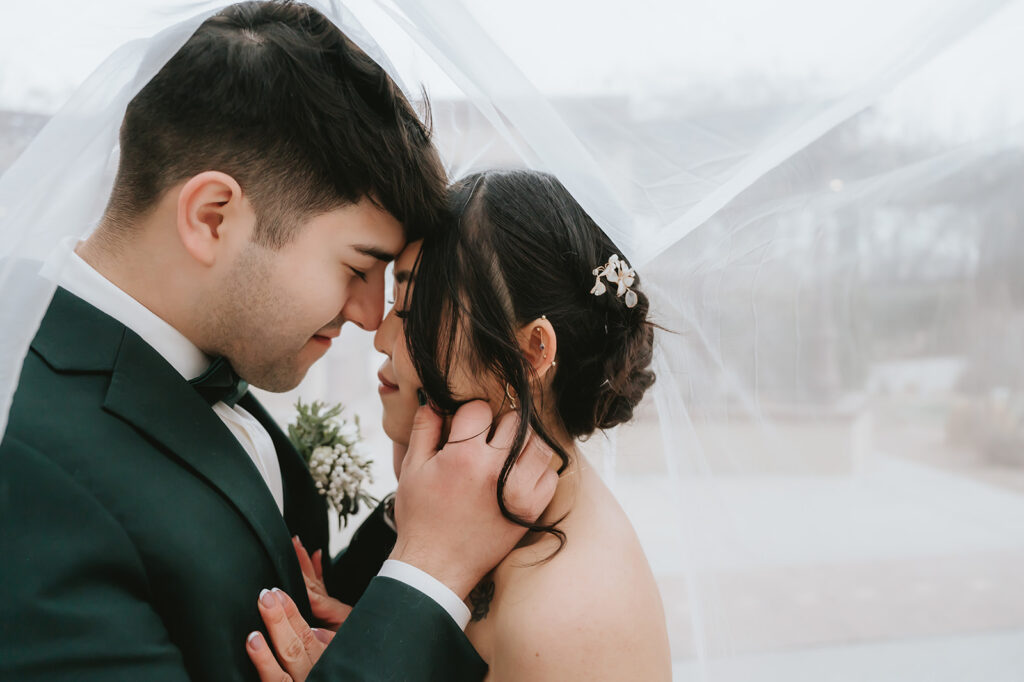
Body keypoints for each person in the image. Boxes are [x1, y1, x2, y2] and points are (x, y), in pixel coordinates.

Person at [0, 5, 556, 681]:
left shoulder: (198, 355)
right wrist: (431, 573)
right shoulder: (23, 466)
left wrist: (427, 515)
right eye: (357, 267)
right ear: (213, 218)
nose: (371, 316)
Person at [249, 169, 673, 681]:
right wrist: (369, 644)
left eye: (412, 312)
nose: (380, 338)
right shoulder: (467, 506)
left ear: (532, 351)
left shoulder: (567, 619)